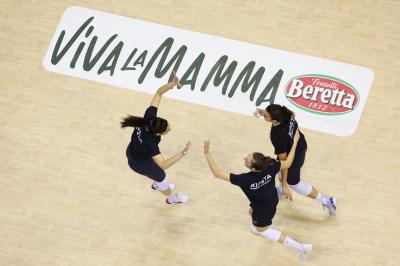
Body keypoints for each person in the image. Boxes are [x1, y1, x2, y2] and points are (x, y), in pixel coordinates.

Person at [203, 130, 312, 260]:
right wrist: (294, 143)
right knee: (251, 211)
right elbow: (288, 163)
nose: (244, 158)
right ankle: (264, 225)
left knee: (263, 230)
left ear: (254, 168)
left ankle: (301, 247)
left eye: (247, 160)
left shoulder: (244, 179)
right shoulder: (271, 165)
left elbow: (217, 173)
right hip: (272, 200)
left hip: (263, 209)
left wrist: (207, 153)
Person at [121, 71, 190, 204]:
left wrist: (173, 84)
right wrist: (183, 152)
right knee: (163, 178)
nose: (170, 128)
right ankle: (171, 198)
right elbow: (163, 165)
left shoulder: (149, 119)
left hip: (133, 151)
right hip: (138, 163)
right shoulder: (150, 144)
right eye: (168, 129)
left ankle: (155, 184)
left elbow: (159, 93)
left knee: (157, 174)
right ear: (158, 134)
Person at [256, 104, 336, 215]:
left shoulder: (277, 136)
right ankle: (282, 190)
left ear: (274, 120)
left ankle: (327, 200)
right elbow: (293, 114)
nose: (264, 115)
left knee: (293, 182)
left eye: (266, 116)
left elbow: (285, 163)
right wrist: (265, 112)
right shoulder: (286, 113)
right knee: (277, 168)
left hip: (293, 155)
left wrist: (285, 185)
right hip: (300, 144)